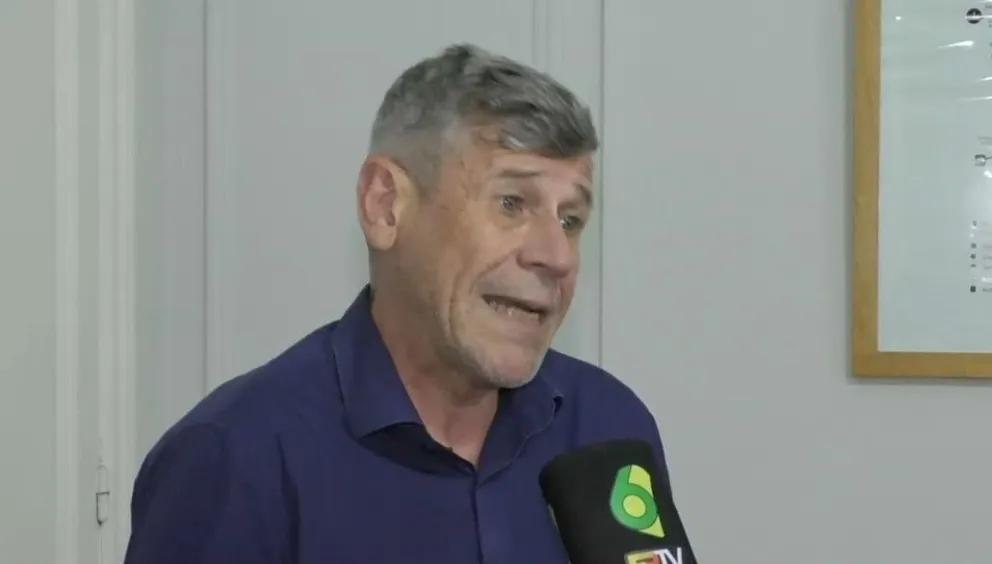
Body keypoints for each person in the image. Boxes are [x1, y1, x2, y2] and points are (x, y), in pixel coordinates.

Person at [124, 43, 676, 564]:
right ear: (386, 207)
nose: (556, 256)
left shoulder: (607, 427)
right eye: (512, 203)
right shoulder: (235, 458)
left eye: (571, 220)